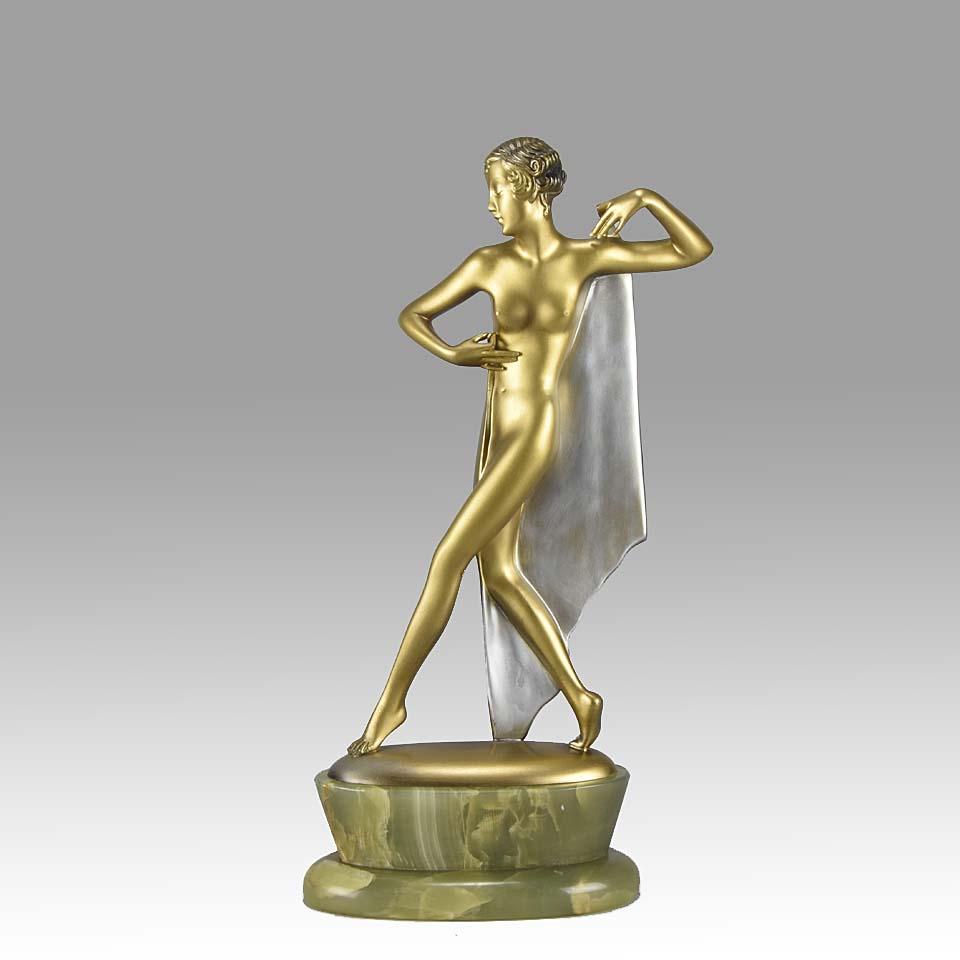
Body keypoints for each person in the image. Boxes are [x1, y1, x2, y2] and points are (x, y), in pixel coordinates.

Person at [347, 137, 712, 758]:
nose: (491, 204)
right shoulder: (487, 263)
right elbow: (413, 315)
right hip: (496, 429)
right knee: (501, 574)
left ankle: (392, 703)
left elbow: (692, 250)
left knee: (447, 559)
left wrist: (644, 196)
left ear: (527, 190)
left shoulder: (582, 259)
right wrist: (454, 354)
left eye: (497, 190)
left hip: (533, 430)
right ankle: (580, 695)